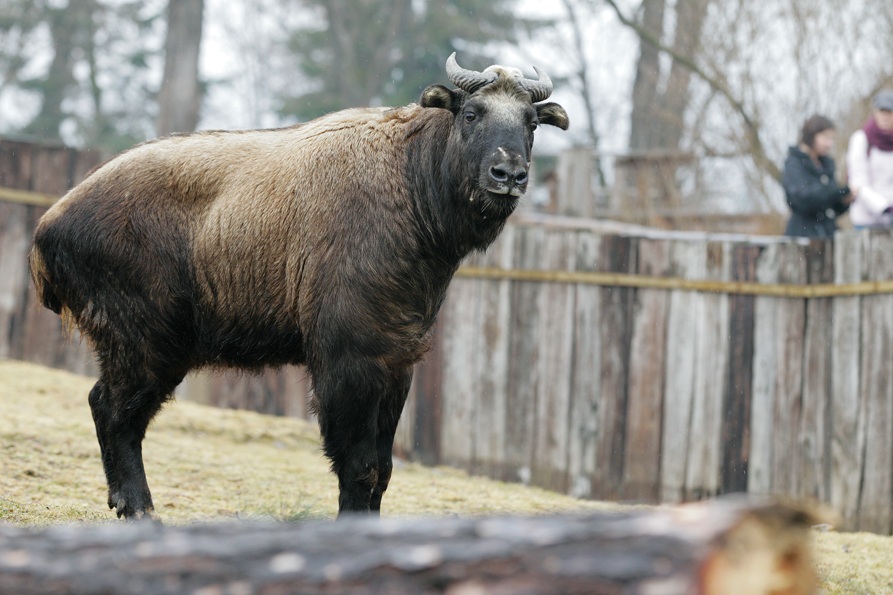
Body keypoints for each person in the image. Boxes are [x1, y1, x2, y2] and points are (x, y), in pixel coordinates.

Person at [782, 114, 853, 238]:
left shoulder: (826, 165)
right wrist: (841, 191)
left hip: (827, 234)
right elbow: (805, 197)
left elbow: (829, 206)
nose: (829, 144)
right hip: (802, 234)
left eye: (831, 139)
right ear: (811, 135)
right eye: (825, 138)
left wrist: (845, 201)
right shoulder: (795, 163)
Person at [846, 90, 893, 229]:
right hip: (866, 221)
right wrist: (885, 208)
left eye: (889, 112)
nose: (885, 116)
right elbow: (858, 182)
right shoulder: (861, 139)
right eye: (881, 111)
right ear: (875, 112)